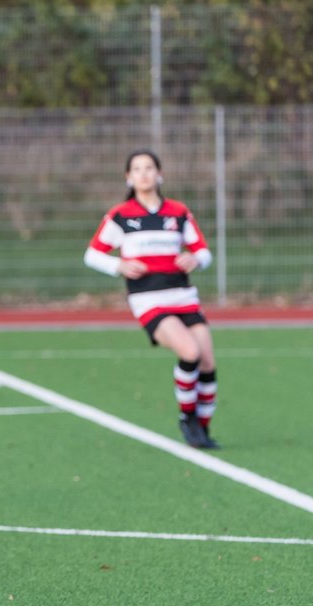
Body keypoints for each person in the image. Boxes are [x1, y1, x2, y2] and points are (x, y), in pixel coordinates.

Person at [85, 149, 219, 449]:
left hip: (183, 294)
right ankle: (187, 419)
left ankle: (204, 428)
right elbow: (92, 254)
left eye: (149, 168)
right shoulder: (121, 215)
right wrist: (118, 265)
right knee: (189, 352)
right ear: (129, 177)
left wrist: (195, 260)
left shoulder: (177, 212)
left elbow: (204, 252)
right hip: (148, 298)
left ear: (160, 174)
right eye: (137, 169)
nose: (144, 174)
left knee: (208, 362)